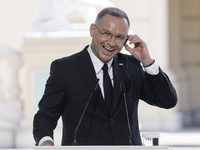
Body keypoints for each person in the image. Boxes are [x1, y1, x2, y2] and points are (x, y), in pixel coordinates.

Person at [33, 7, 177, 146]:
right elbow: (45, 116)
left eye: (119, 37)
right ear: (92, 30)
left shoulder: (131, 66)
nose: (111, 43)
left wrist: (147, 62)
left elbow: (167, 101)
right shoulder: (65, 68)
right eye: (106, 33)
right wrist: (46, 143)